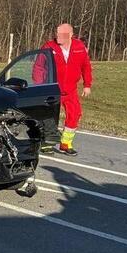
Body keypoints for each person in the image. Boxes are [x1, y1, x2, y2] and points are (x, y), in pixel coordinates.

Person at [39, 22, 92, 156]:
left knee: (74, 114)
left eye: (62, 34)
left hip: (71, 90)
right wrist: (40, 85)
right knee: (49, 116)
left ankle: (66, 143)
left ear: (70, 35)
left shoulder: (79, 47)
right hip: (52, 89)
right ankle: (47, 143)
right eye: (57, 33)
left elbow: (86, 66)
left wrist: (87, 85)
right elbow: (39, 67)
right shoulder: (49, 47)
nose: (58, 36)